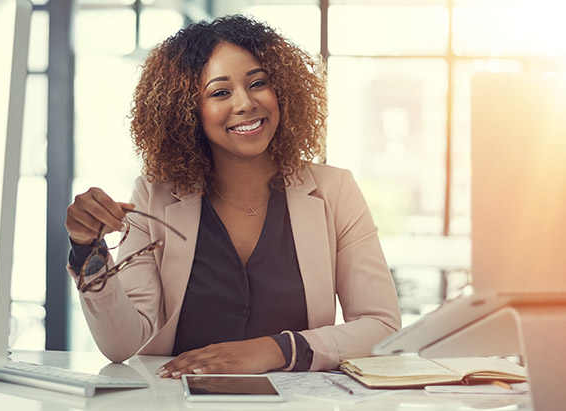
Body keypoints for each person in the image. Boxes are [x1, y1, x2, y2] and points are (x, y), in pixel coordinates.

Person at [65, 15, 400, 378]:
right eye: (220, 92)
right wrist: (87, 249)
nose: (245, 103)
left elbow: (381, 328)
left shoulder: (335, 191)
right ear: (187, 110)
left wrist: (277, 349)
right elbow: (121, 344)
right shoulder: (153, 195)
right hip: (178, 400)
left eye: (259, 83)